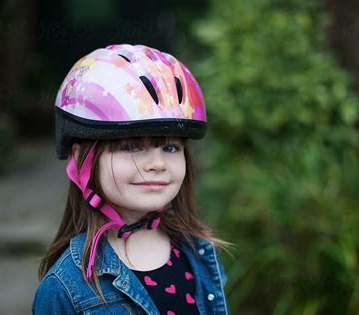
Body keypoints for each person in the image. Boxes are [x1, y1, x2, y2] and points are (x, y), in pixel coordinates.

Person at [32, 44, 231, 315]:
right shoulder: (64, 288)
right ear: (81, 160)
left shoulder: (201, 255)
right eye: (131, 147)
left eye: (170, 148)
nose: (157, 164)